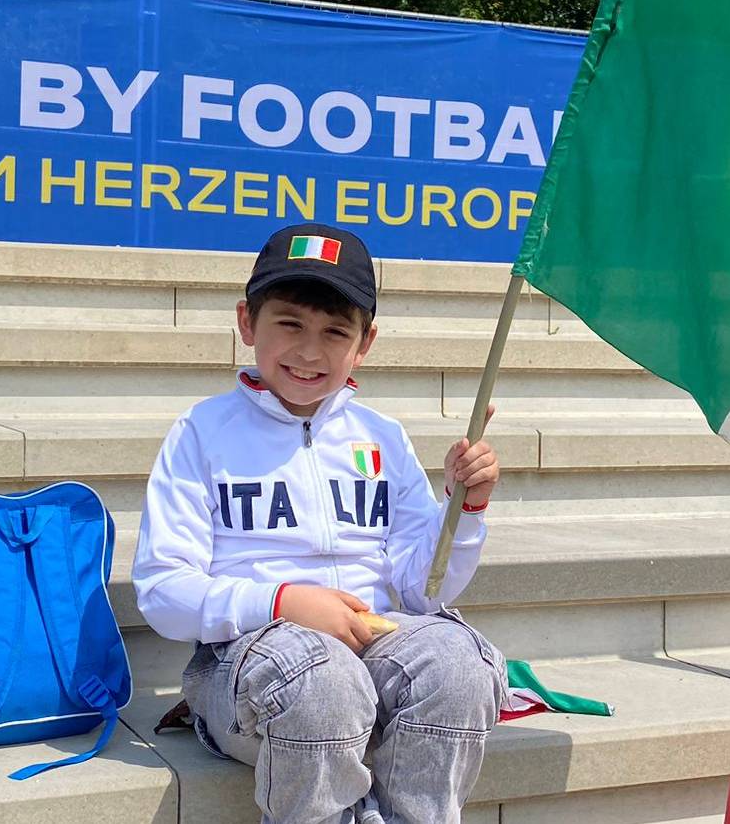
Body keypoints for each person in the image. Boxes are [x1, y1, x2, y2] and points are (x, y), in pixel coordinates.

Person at [134, 223, 508, 824]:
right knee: (322, 680)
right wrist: (282, 603)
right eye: (290, 324)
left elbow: (423, 591)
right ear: (247, 322)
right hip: (247, 664)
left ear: (365, 342)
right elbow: (162, 591)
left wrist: (463, 513)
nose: (310, 352)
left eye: (335, 331)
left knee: (459, 663)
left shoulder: (382, 437)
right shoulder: (201, 433)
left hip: (374, 648)